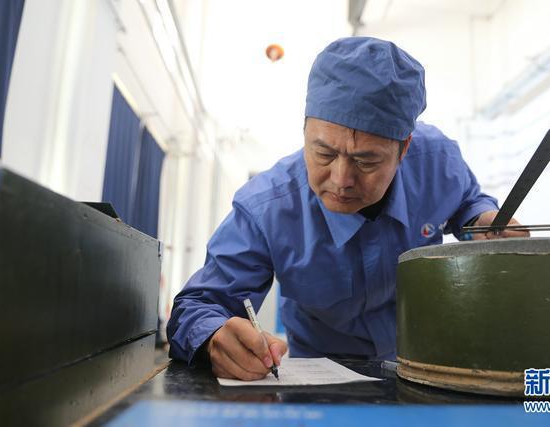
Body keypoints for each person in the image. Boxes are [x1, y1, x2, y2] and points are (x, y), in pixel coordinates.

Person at [166, 37, 528, 381]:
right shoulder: (267, 208)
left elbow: (466, 203)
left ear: (404, 149)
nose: (341, 179)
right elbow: (197, 306)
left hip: (429, 362)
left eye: (366, 161)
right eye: (323, 153)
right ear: (305, 131)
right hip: (322, 378)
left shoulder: (437, 161)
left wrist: (481, 220)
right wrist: (215, 337)